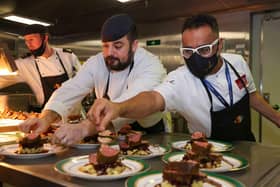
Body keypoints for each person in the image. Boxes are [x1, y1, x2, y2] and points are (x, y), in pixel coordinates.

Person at [88, 14, 280, 142]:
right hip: (210, 157)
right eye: (188, 52)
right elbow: (153, 99)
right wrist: (118, 107)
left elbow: (252, 96)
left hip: (248, 146)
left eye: (204, 50)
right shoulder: (180, 79)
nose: (196, 58)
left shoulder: (237, 63)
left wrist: (278, 118)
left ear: (219, 45)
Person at [19, 14, 167, 145]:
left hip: (153, 136)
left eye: (118, 46)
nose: (110, 53)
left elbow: (134, 99)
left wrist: (84, 128)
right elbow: (72, 88)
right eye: (105, 46)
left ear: (134, 45)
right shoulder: (97, 62)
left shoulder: (150, 65)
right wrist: (46, 118)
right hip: (111, 134)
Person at [0, 24, 81, 110]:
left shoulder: (67, 56)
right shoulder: (24, 64)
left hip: (73, 114)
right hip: (46, 116)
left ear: (45, 38)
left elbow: (84, 81)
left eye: (31, 39)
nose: (28, 44)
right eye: (26, 41)